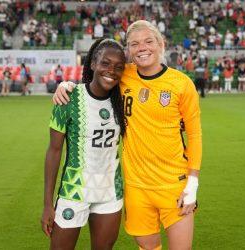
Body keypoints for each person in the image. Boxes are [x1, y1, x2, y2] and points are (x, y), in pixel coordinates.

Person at [53, 20, 202, 250]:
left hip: (174, 184)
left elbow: (195, 136)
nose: (142, 47)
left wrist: (192, 185)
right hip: (137, 188)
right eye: (134, 44)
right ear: (129, 51)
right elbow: (97, 78)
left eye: (148, 41)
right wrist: (67, 85)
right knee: (148, 247)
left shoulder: (182, 84)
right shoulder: (123, 74)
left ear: (160, 44)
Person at [41, 39, 126, 250]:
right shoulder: (68, 98)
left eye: (118, 67)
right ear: (92, 64)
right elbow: (54, 150)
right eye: (105, 63)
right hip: (74, 190)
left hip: (109, 191)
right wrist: (47, 204)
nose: (111, 71)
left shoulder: (123, 100)